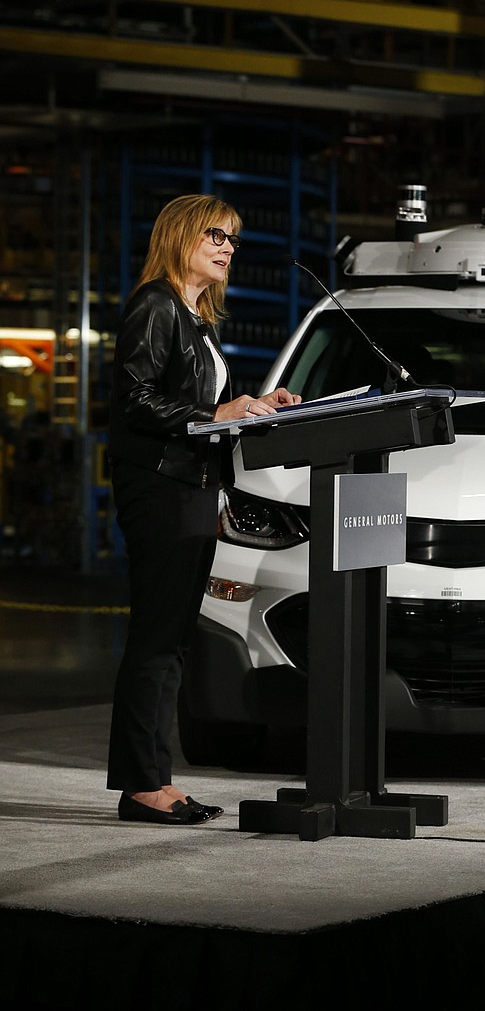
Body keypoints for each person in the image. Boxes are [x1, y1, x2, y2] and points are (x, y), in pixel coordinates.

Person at [106, 193, 300, 825]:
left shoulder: (196, 318)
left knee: (170, 642)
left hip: (190, 490)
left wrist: (258, 406)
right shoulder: (154, 305)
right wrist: (217, 414)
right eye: (214, 234)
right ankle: (145, 786)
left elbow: (194, 407)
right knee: (157, 641)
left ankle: (152, 779)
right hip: (161, 491)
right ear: (180, 235)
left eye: (234, 238)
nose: (227, 247)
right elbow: (135, 400)